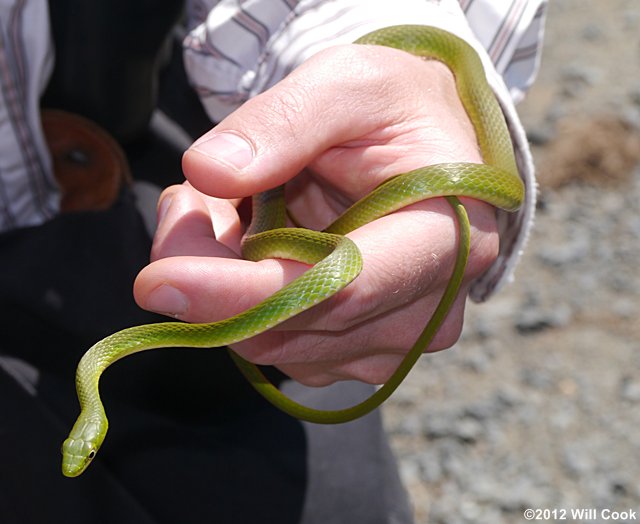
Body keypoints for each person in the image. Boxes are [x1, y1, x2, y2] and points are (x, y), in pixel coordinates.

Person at [0, 0, 546, 522]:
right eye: (87, 452)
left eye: (87, 450)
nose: (85, 454)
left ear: (87, 431)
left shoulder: (101, 359)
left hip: (132, 142)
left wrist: (386, 77)